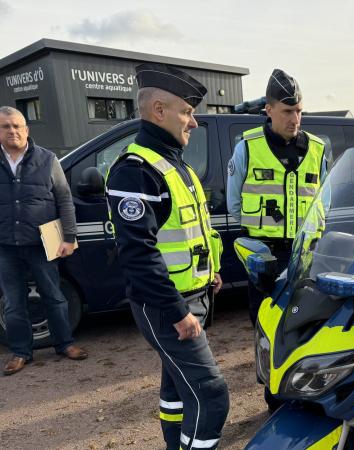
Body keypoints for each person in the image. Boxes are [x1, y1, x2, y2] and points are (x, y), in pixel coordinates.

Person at [106, 64, 228, 450]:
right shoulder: (135, 170)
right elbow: (138, 256)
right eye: (186, 112)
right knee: (211, 395)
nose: (193, 122)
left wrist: (213, 271)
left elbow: (195, 231)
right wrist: (177, 311)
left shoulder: (177, 163)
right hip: (167, 306)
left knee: (176, 384)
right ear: (159, 110)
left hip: (193, 295)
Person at [226, 68, 328, 325]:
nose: (295, 118)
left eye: (299, 111)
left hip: (305, 255)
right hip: (263, 256)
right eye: (287, 111)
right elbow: (234, 205)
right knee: (264, 322)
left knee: (304, 321)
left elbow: (325, 202)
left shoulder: (317, 150)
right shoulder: (247, 148)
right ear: (269, 110)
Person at [0, 106, 87, 376]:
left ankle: (65, 344)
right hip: (5, 246)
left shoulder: (48, 159)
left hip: (42, 243)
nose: (12, 131)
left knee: (54, 296)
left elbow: (64, 199)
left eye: (17, 126)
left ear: (26, 129)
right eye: (6, 126)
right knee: (13, 303)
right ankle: (20, 352)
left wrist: (70, 237)